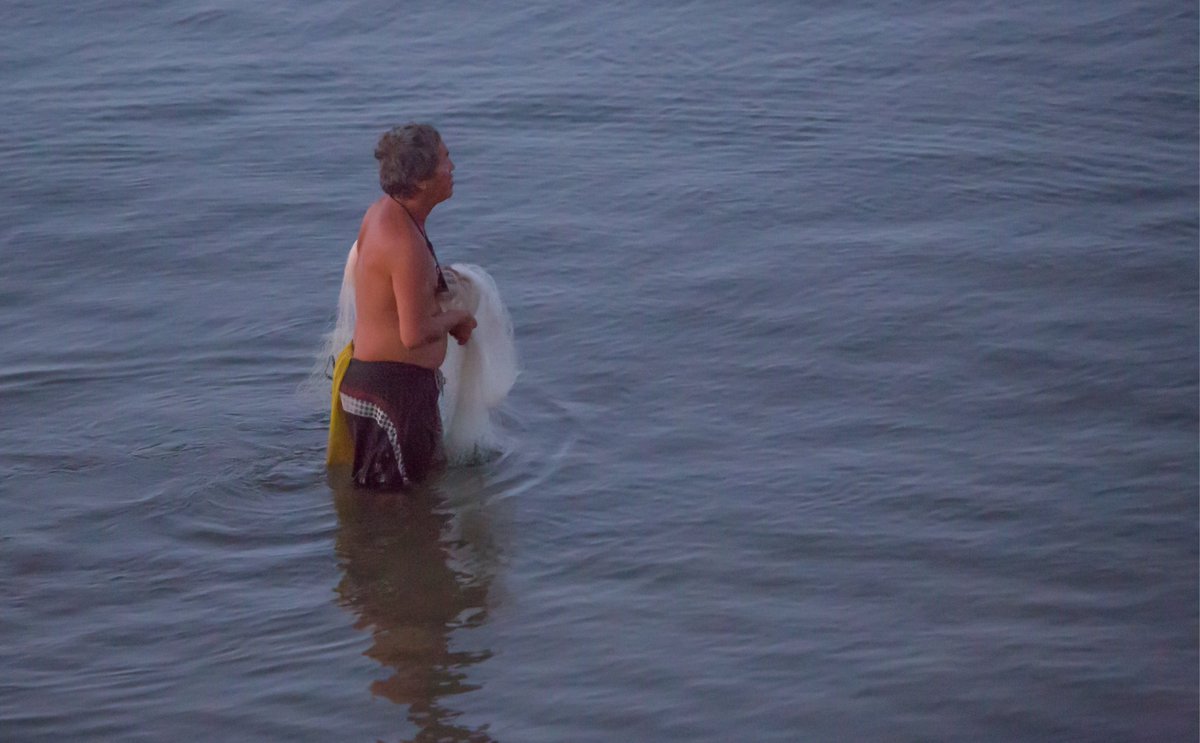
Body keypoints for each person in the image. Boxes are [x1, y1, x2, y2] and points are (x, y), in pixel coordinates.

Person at [333, 123, 476, 490]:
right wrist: (457, 317)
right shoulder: (404, 242)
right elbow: (412, 335)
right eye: (446, 159)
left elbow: (390, 290)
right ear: (423, 180)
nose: (453, 168)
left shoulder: (385, 213)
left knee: (399, 515)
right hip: (393, 398)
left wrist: (437, 283)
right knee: (401, 514)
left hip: (376, 386)